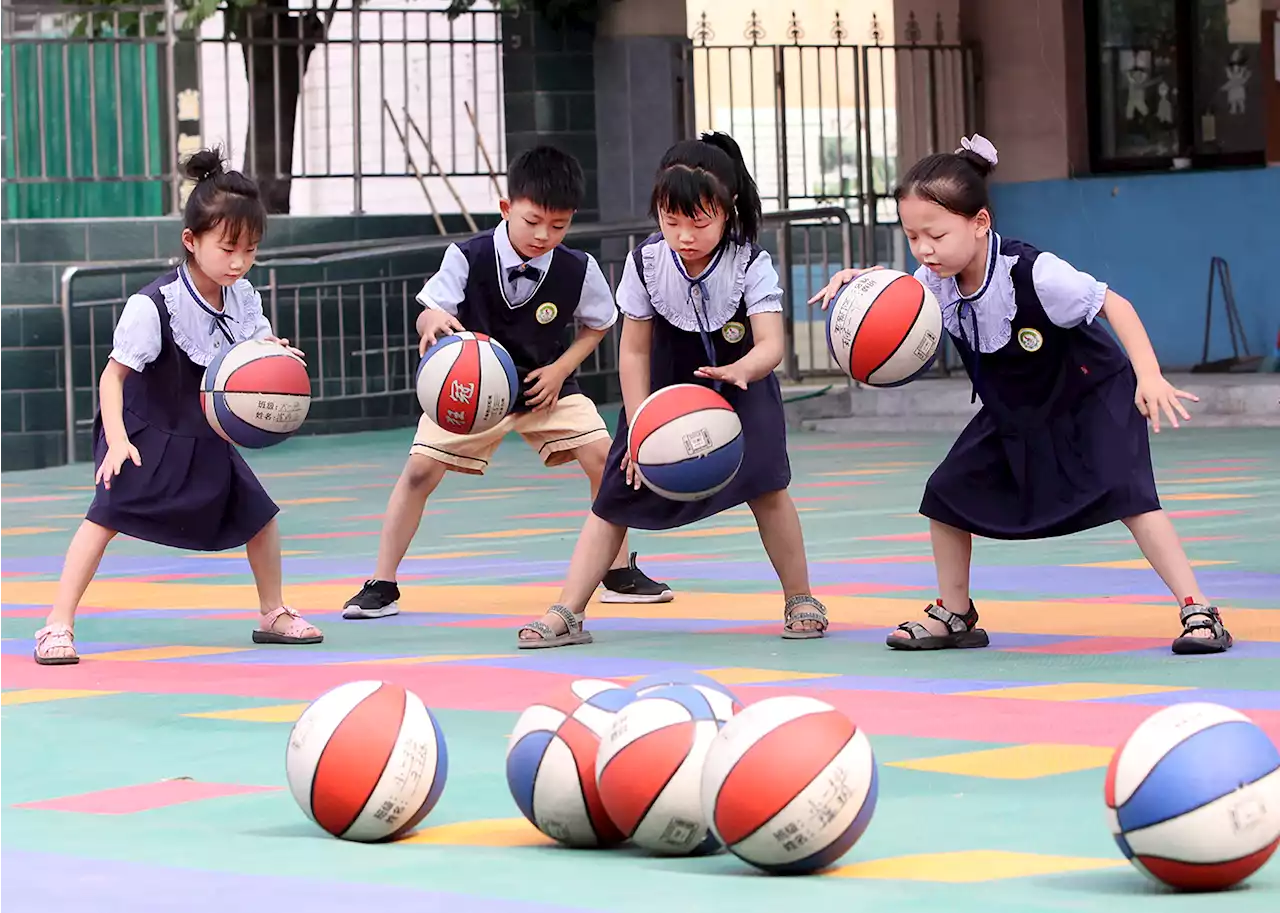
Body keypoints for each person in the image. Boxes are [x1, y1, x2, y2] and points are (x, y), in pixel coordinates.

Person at [810, 133, 1232, 656]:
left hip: (1088, 394)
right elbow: (897, 295)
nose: (924, 249)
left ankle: (1198, 610)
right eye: (913, 236)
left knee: (1131, 495)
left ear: (980, 223)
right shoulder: (931, 281)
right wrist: (862, 286)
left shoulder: (1034, 273)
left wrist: (1149, 375)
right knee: (945, 494)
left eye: (935, 235)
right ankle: (955, 612)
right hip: (1015, 404)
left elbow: (1114, 304)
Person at [515, 131, 828, 649]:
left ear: (726, 210)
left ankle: (800, 597)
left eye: (698, 222)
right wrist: (639, 426)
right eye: (670, 220)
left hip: (739, 388)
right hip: (662, 395)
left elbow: (772, 342)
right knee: (613, 499)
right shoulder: (646, 263)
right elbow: (634, 350)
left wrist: (742, 369)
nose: (684, 234)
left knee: (768, 488)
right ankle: (567, 612)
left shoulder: (750, 263)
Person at [342, 145, 671, 620]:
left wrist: (561, 369)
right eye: (533, 220)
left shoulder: (578, 268)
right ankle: (382, 583)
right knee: (417, 473)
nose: (544, 235)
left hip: (544, 386)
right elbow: (432, 309)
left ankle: (617, 571)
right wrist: (432, 322)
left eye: (558, 226)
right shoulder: (467, 255)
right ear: (506, 208)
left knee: (604, 457)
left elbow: (598, 324)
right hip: (472, 390)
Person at [34, 149, 324, 665]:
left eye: (251, 250)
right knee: (104, 517)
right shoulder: (154, 305)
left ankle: (272, 612)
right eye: (229, 247)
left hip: (202, 428)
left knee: (261, 517)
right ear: (192, 241)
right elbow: (113, 377)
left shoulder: (242, 295)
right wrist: (118, 440)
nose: (239, 261)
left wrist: (275, 355)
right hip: (146, 427)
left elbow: (253, 349)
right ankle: (56, 624)